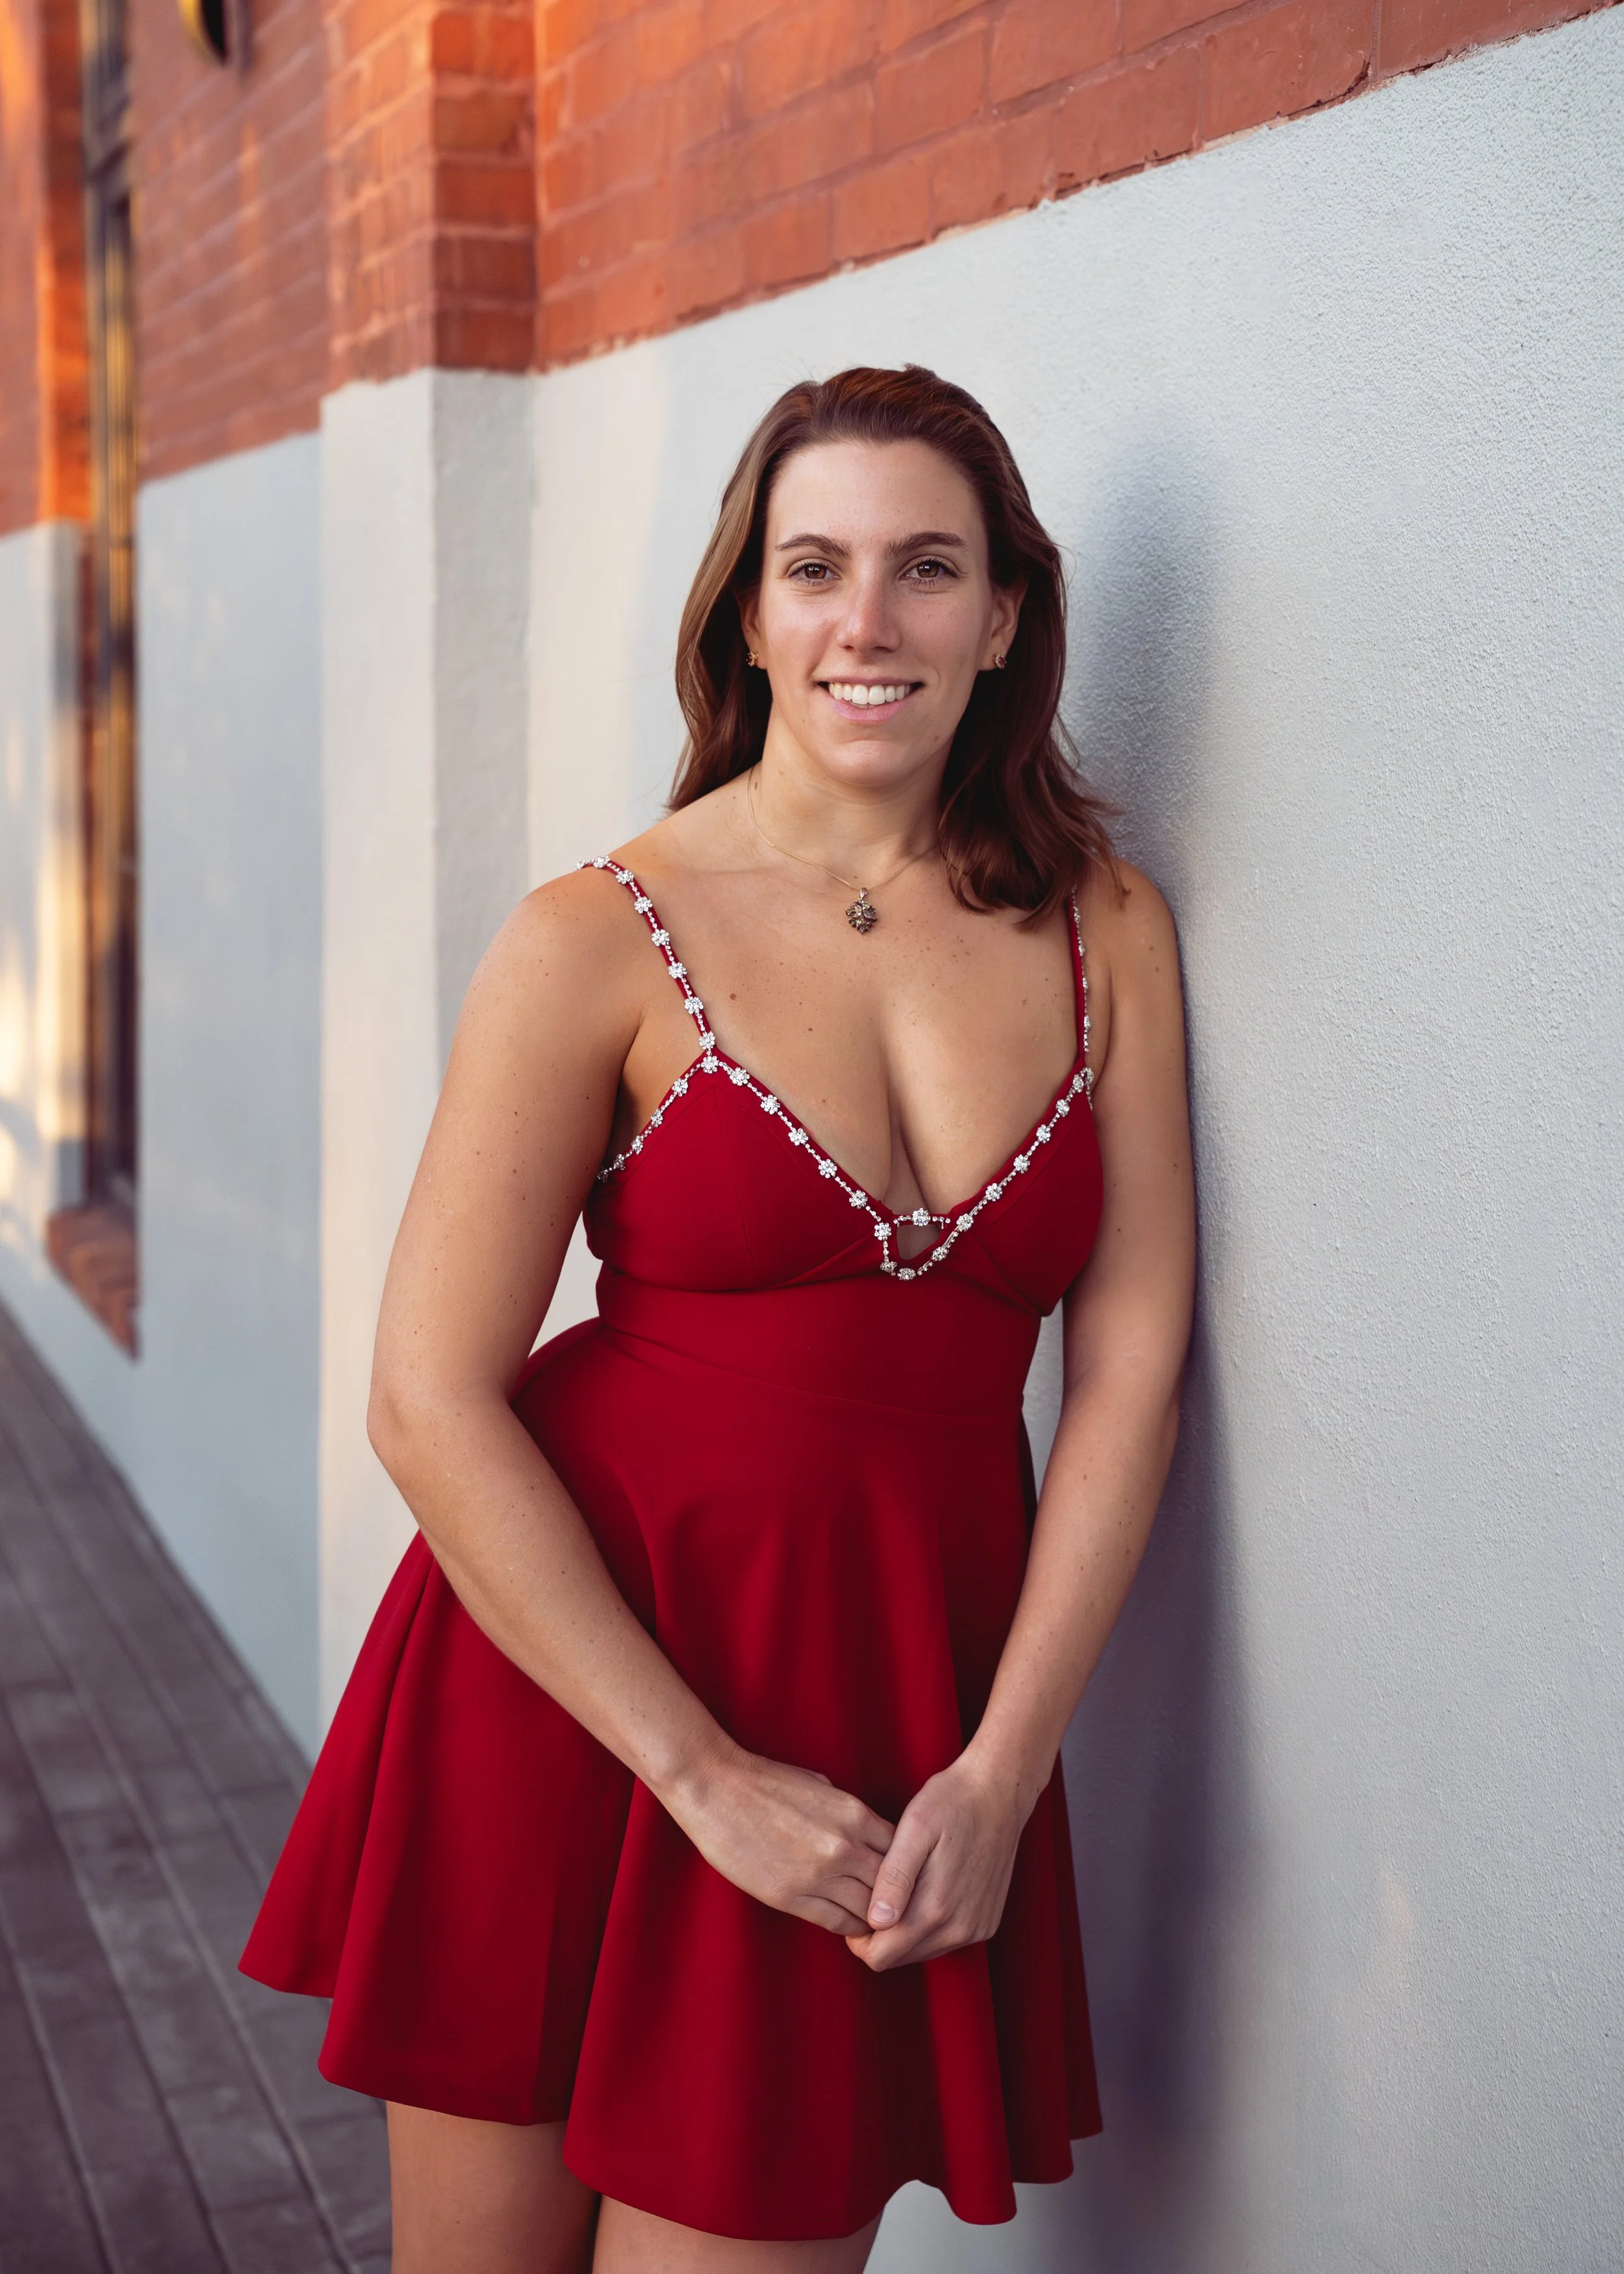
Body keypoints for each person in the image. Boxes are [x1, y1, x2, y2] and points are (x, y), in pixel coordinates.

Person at [241, 364, 1196, 2274]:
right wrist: (693, 1773)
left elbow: (1129, 1365)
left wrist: (1003, 1771)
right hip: (569, 1688)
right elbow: (428, 1396)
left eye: (927, 568)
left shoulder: (1108, 928)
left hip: (876, 1720)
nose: (868, 620)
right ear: (746, 618)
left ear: (1003, 615)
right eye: (814, 566)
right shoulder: (595, 932)